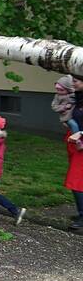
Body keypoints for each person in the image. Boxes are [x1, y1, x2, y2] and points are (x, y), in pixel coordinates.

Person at [64, 74, 83, 230]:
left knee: (76, 182)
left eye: (76, 81)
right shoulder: (78, 98)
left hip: (81, 144)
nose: (73, 84)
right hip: (74, 142)